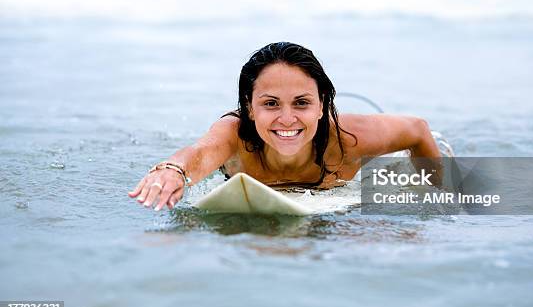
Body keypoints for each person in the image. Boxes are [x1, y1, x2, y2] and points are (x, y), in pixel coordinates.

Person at [128, 42, 441, 211]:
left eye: (302, 103)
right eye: (271, 104)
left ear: (322, 106)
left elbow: (417, 130)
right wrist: (172, 170)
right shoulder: (235, 134)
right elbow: (199, 153)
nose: (287, 119)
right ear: (249, 108)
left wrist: (441, 192)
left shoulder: (349, 138)